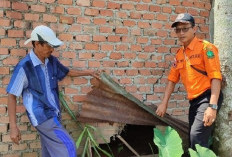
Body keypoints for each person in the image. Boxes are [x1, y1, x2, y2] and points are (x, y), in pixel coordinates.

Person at [7, 25, 99, 157]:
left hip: (53, 112)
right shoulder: (25, 67)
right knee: (68, 147)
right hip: (42, 116)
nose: (52, 49)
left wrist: (89, 72)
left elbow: (67, 72)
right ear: (37, 44)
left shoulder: (51, 61)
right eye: (49, 46)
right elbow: (11, 95)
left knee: (49, 152)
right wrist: (13, 127)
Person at [156, 13, 223, 150]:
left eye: (185, 28)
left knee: (196, 137)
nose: (181, 33)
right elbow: (172, 79)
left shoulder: (206, 48)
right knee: (195, 140)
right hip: (194, 102)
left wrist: (212, 106)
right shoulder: (179, 54)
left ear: (194, 29)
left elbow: (215, 77)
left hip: (207, 97)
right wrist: (164, 104)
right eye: (178, 30)